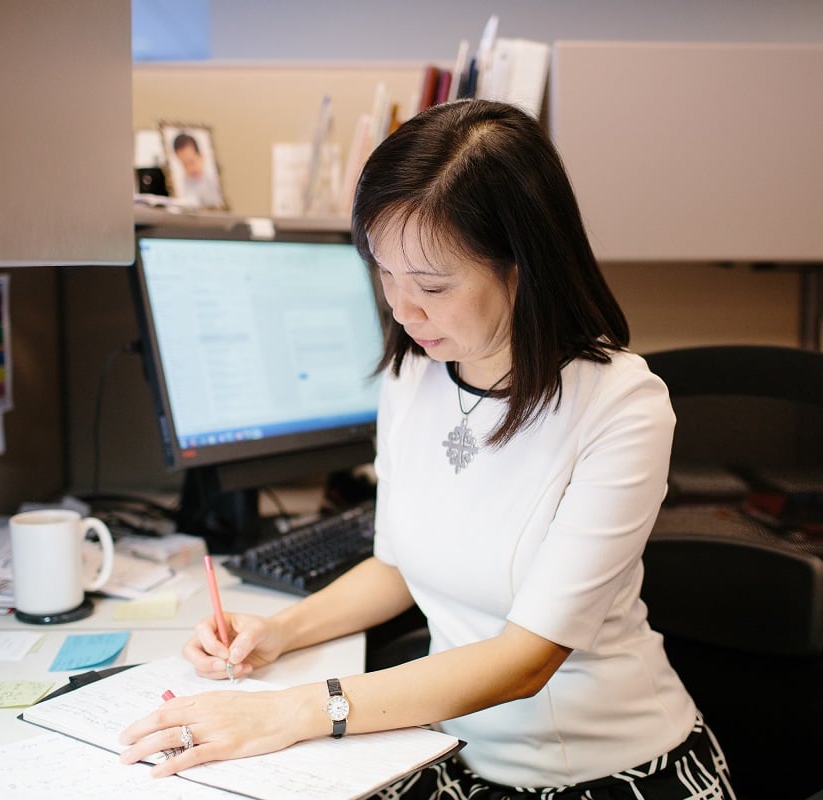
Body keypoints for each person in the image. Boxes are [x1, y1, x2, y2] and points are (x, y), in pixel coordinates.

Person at [119, 99, 735, 799]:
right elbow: (400, 566)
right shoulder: (413, 373)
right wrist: (280, 631)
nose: (403, 310)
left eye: (432, 285)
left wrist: (294, 710)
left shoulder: (621, 406)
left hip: (605, 770)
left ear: (522, 268)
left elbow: (526, 659)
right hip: (457, 750)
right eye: (385, 273)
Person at [170, 131, 225, 208]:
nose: (190, 169)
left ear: (201, 157)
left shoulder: (214, 176)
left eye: (192, 162)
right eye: (184, 164)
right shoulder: (187, 180)